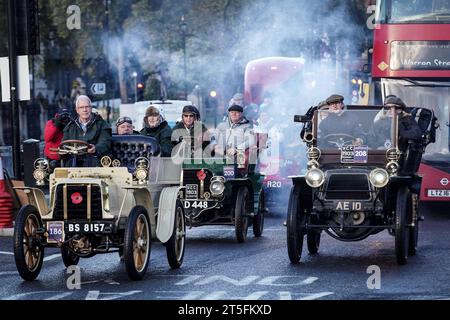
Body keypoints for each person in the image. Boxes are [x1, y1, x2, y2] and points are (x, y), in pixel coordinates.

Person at [63, 95, 111, 161]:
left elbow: (105, 142)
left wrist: (96, 148)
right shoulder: (70, 127)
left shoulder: (102, 124)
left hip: (95, 162)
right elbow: (64, 145)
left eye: (87, 107)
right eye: (81, 107)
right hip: (74, 164)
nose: (85, 110)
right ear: (77, 110)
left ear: (91, 108)